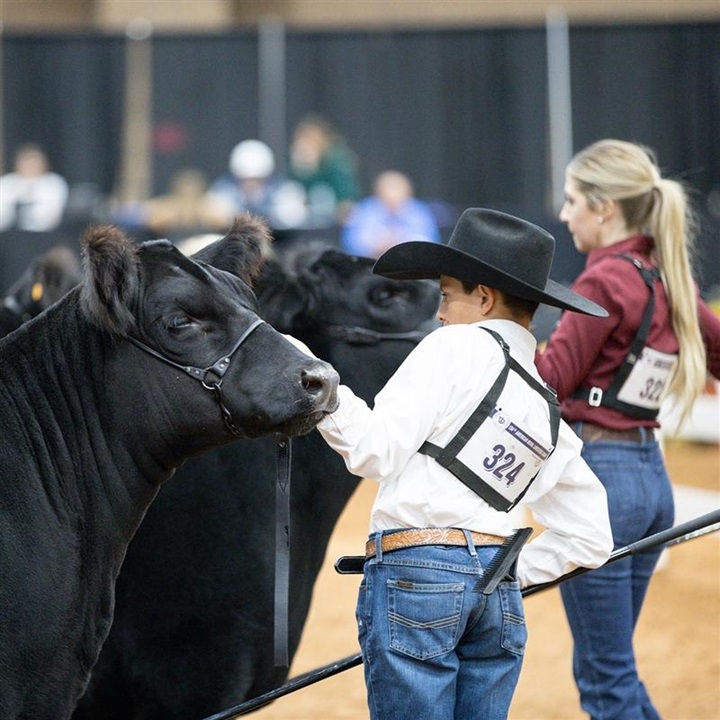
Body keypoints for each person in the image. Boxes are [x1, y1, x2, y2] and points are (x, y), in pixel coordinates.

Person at [305, 207, 614, 720]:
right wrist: (502, 575)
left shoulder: (451, 347)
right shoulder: (544, 402)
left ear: (485, 297)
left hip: (416, 576)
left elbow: (373, 450)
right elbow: (590, 537)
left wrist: (320, 385)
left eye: (447, 294)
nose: (441, 312)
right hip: (499, 593)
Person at [535, 139, 720, 720]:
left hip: (601, 486)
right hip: (650, 484)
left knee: (604, 678)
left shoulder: (601, 283)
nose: (565, 215)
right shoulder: (672, 282)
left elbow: (550, 379)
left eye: (571, 201)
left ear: (604, 208)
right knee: (613, 670)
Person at [205, 139, 306, 230]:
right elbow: (213, 218)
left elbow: (294, 218)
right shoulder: (223, 190)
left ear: (267, 176)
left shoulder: (284, 190)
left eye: (257, 179)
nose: (251, 184)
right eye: (245, 179)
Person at [340, 169, 441, 258]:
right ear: (378, 193)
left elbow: (431, 242)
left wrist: (400, 243)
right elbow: (350, 241)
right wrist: (376, 244)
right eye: (388, 192)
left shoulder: (419, 211)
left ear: (408, 193)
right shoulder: (364, 210)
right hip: (370, 267)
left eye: (397, 191)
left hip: (411, 268)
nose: (393, 198)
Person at [288, 114, 360, 226]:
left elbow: (345, 195)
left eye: (311, 139)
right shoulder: (298, 159)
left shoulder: (336, 159)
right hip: (306, 217)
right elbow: (295, 192)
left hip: (335, 216)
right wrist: (303, 169)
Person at [0, 143, 69, 232]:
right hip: (8, 236)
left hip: (44, 235)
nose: (30, 165)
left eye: (34, 161)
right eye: (26, 161)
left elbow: (52, 216)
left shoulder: (53, 182)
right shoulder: (6, 182)